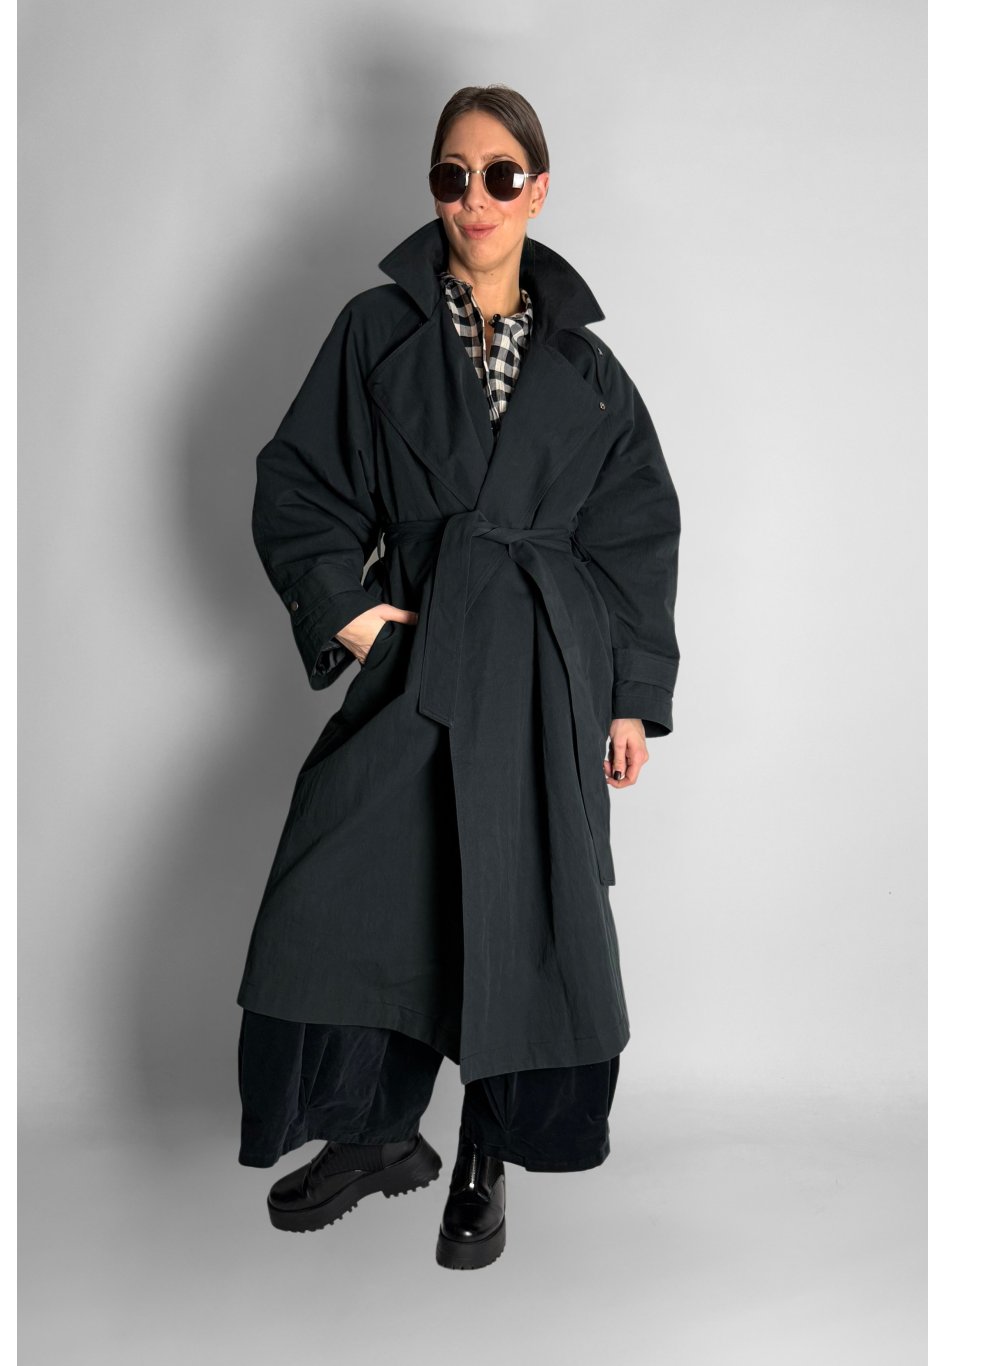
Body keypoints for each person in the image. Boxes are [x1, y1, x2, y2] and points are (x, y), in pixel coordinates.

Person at [236, 84, 682, 1271]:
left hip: (546, 665)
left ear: (538, 189)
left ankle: (488, 1149)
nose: (473, 197)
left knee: (523, 903)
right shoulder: (373, 332)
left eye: (499, 174)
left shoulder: (588, 370)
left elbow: (635, 533)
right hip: (424, 647)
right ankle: (372, 1127)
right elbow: (300, 481)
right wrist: (352, 617)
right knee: (355, 883)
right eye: (451, 174)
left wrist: (629, 696)